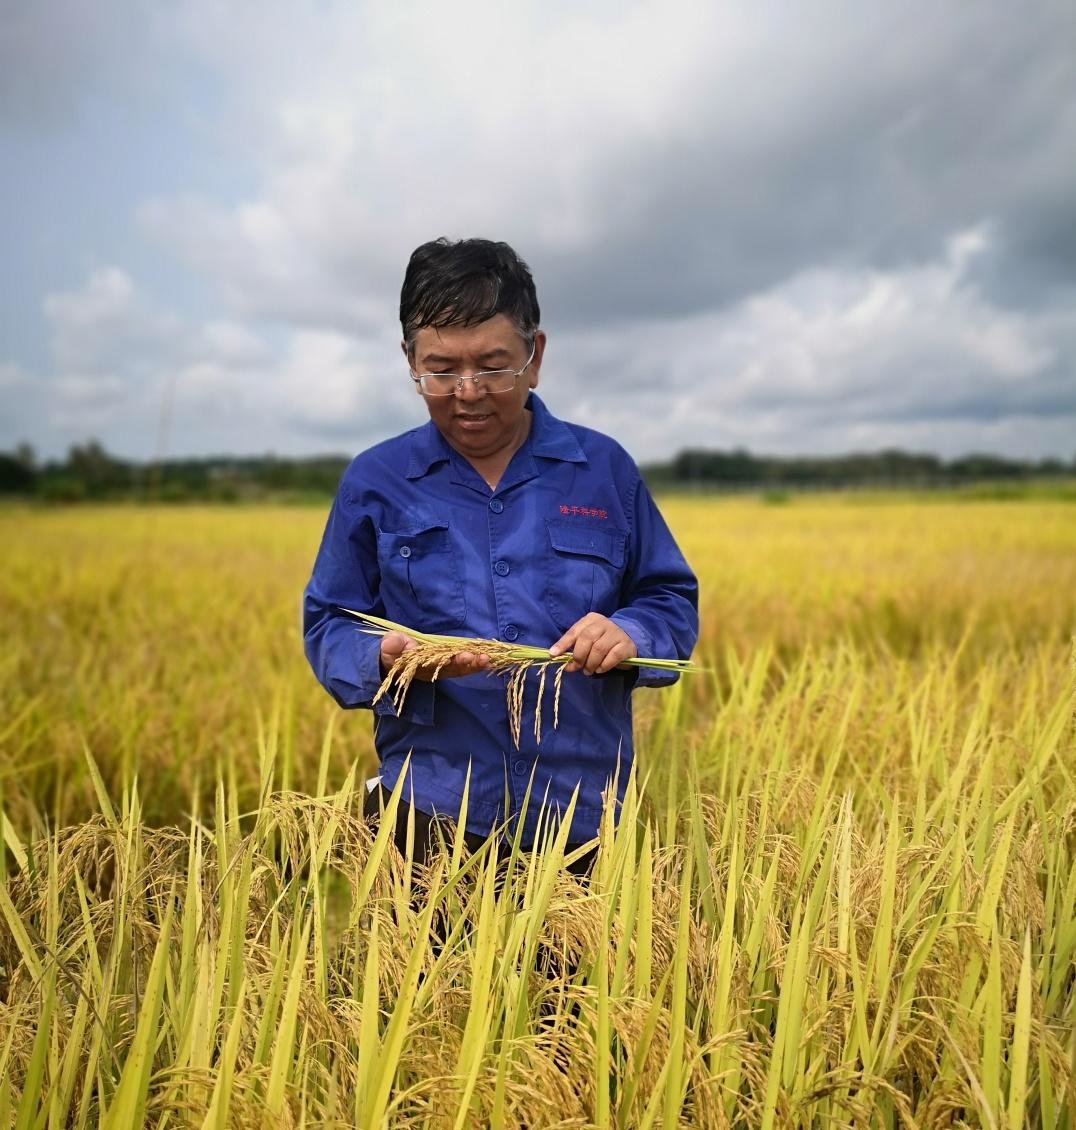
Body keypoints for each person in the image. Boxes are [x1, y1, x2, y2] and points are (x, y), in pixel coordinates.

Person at [303, 237, 698, 871]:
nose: (468, 392)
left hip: (580, 822)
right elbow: (329, 623)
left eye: (493, 366)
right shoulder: (375, 482)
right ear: (409, 360)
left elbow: (668, 598)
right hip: (428, 818)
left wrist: (630, 630)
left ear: (534, 356)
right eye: (440, 370)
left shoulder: (603, 471)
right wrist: (384, 658)